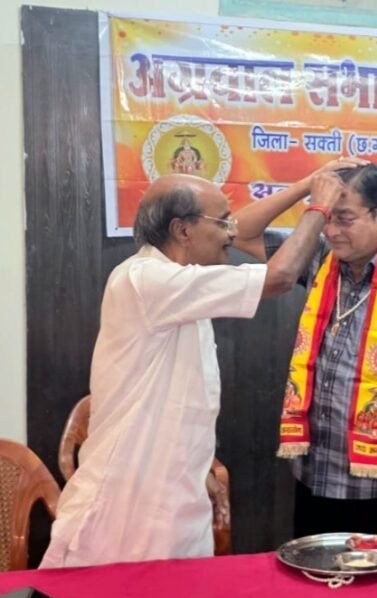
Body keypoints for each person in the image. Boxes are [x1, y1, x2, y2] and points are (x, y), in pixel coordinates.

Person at [41, 160, 357, 568]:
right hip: (126, 503)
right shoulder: (145, 280)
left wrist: (305, 183)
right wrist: (319, 205)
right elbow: (279, 277)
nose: (231, 232)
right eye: (221, 222)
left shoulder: (183, 283)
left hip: (176, 496)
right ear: (183, 230)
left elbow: (181, 401)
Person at [234, 162, 377, 543]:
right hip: (316, 477)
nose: (331, 231)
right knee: (316, 579)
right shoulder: (316, 259)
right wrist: (307, 185)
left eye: (344, 219)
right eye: (327, 218)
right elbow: (238, 231)